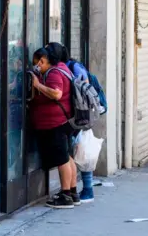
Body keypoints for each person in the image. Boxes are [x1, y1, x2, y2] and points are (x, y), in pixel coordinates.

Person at [45, 42, 97, 203]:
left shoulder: (68, 68)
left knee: (77, 151)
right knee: (72, 153)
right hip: (75, 115)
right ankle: (75, 191)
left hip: (78, 115)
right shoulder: (66, 67)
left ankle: (82, 190)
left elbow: (84, 89)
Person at [30, 47, 79, 209]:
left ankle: (65, 195)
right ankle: (72, 192)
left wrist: (37, 85)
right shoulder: (63, 68)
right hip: (64, 121)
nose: (35, 66)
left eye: (36, 63)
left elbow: (56, 94)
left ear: (42, 61)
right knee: (67, 157)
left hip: (55, 123)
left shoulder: (54, 73)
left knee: (62, 159)